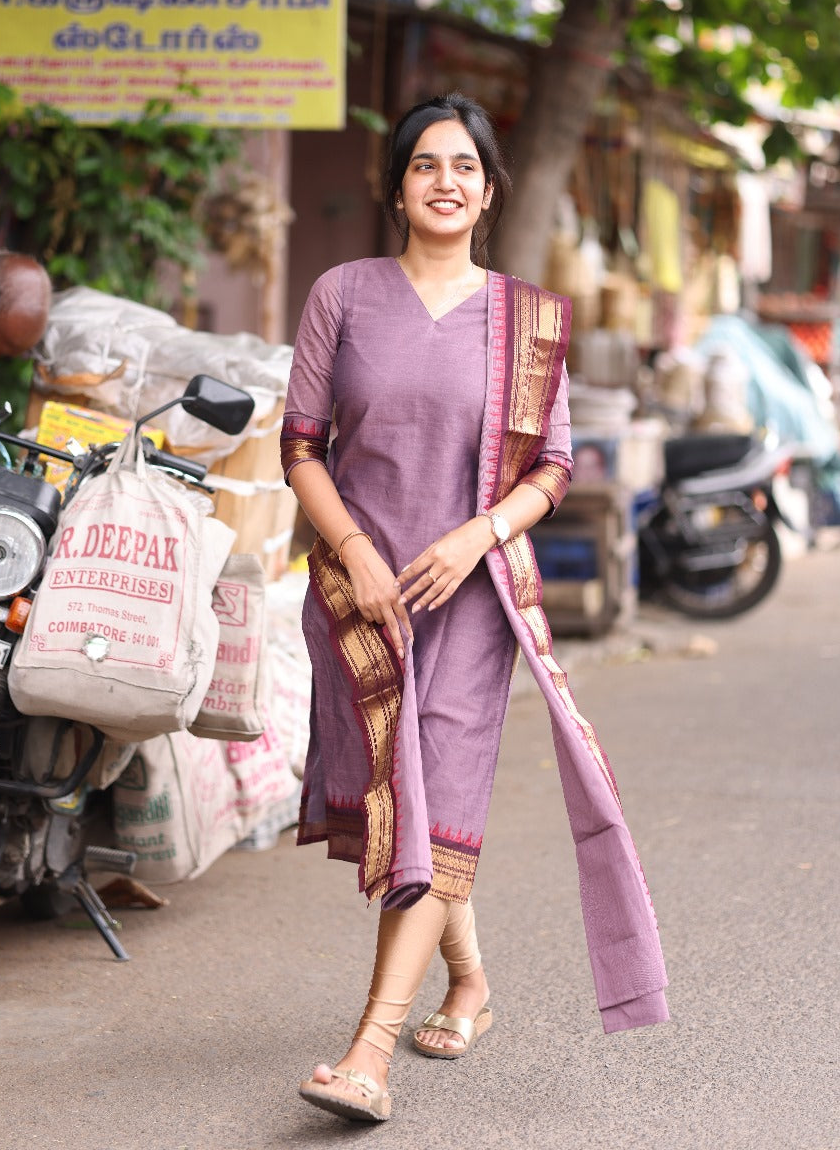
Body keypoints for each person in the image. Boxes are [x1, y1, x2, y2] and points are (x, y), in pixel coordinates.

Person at [280, 93, 669, 1125]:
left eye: (464, 166)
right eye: (425, 164)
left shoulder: (528, 319)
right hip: (363, 597)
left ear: (489, 191)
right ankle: (470, 981)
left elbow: (553, 467)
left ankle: (369, 1053)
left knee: (436, 803)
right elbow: (301, 447)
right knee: (403, 806)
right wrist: (358, 552)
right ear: (398, 185)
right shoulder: (343, 294)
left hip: (473, 600)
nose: (444, 181)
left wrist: (475, 536)